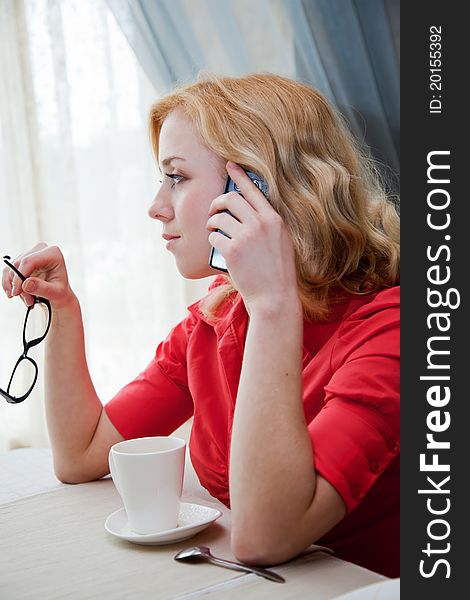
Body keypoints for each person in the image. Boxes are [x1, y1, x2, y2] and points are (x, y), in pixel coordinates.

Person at [2, 73, 400, 577]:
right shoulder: (218, 317)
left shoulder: (391, 332)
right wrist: (62, 308)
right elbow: (82, 455)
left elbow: (264, 537)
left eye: (177, 177)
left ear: (256, 190)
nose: (156, 206)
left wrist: (274, 308)